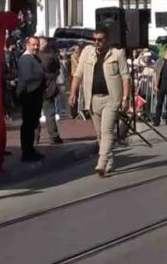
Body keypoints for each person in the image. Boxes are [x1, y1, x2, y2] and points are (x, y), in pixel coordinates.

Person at [69, 28, 131, 177]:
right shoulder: (87, 53)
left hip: (111, 98)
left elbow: (125, 77)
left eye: (100, 39)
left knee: (107, 131)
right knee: (99, 134)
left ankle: (101, 163)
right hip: (93, 99)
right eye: (95, 39)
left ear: (107, 40)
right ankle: (109, 163)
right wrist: (73, 92)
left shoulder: (117, 54)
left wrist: (125, 98)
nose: (97, 42)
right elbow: (78, 74)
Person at [36, 35, 63, 145]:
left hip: (37, 87)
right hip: (48, 87)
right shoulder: (51, 56)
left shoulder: (35, 56)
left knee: (36, 113)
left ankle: (35, 137)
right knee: (49, 113)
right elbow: (57, 68)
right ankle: (54, 136)